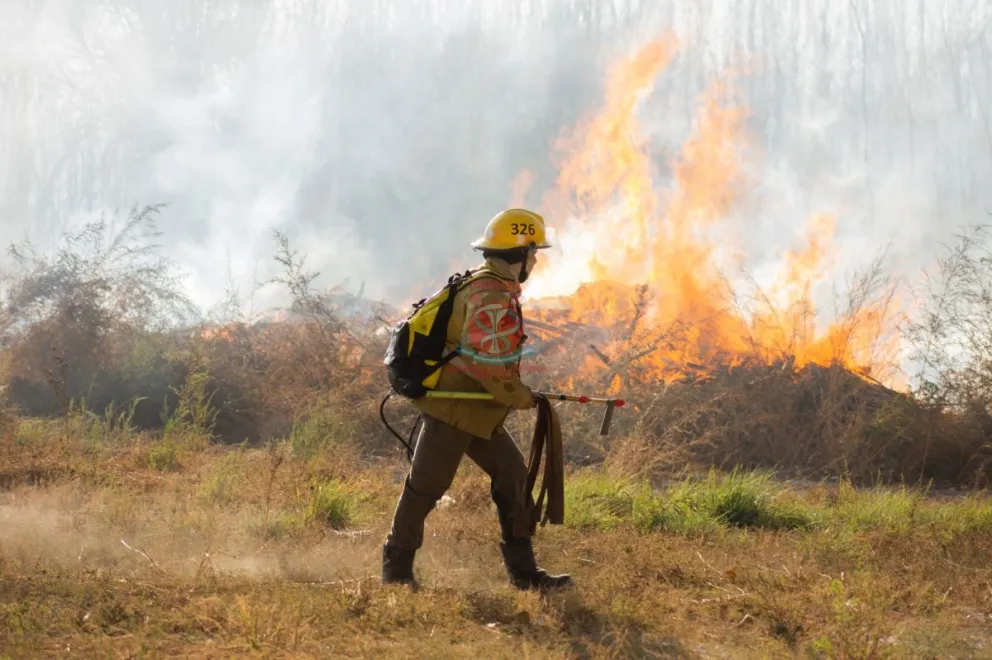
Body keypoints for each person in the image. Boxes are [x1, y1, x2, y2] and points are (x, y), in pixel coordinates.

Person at [381, 208, 572, 591]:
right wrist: (519, 397)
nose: (535, 261)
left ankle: (524, 573)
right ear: (520, 253)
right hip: (453, 409)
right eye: (533, 253)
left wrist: (512, 394)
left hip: (476, 409)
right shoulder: (489, 295)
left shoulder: (492, 288)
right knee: (426, 488)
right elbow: (485, 361)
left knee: (513, 477)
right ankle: (396, 572)